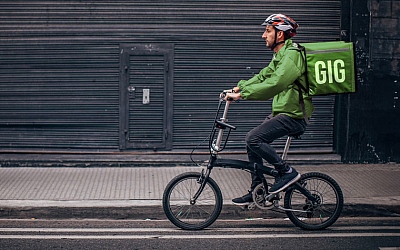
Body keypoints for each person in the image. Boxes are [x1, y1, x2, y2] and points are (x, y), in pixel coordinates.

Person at [224, 13, 314, 205]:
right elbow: (264, 76)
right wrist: (239, 87)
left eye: (267, 31)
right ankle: (259, 190)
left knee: (253, 138)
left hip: (294, 117)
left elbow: (276, 83)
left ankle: (286, 172)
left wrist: (243, 95)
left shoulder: (292, 55)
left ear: (280, 35)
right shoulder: (281, 55)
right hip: (283, 113)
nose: (264, 36)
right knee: (251, 141)